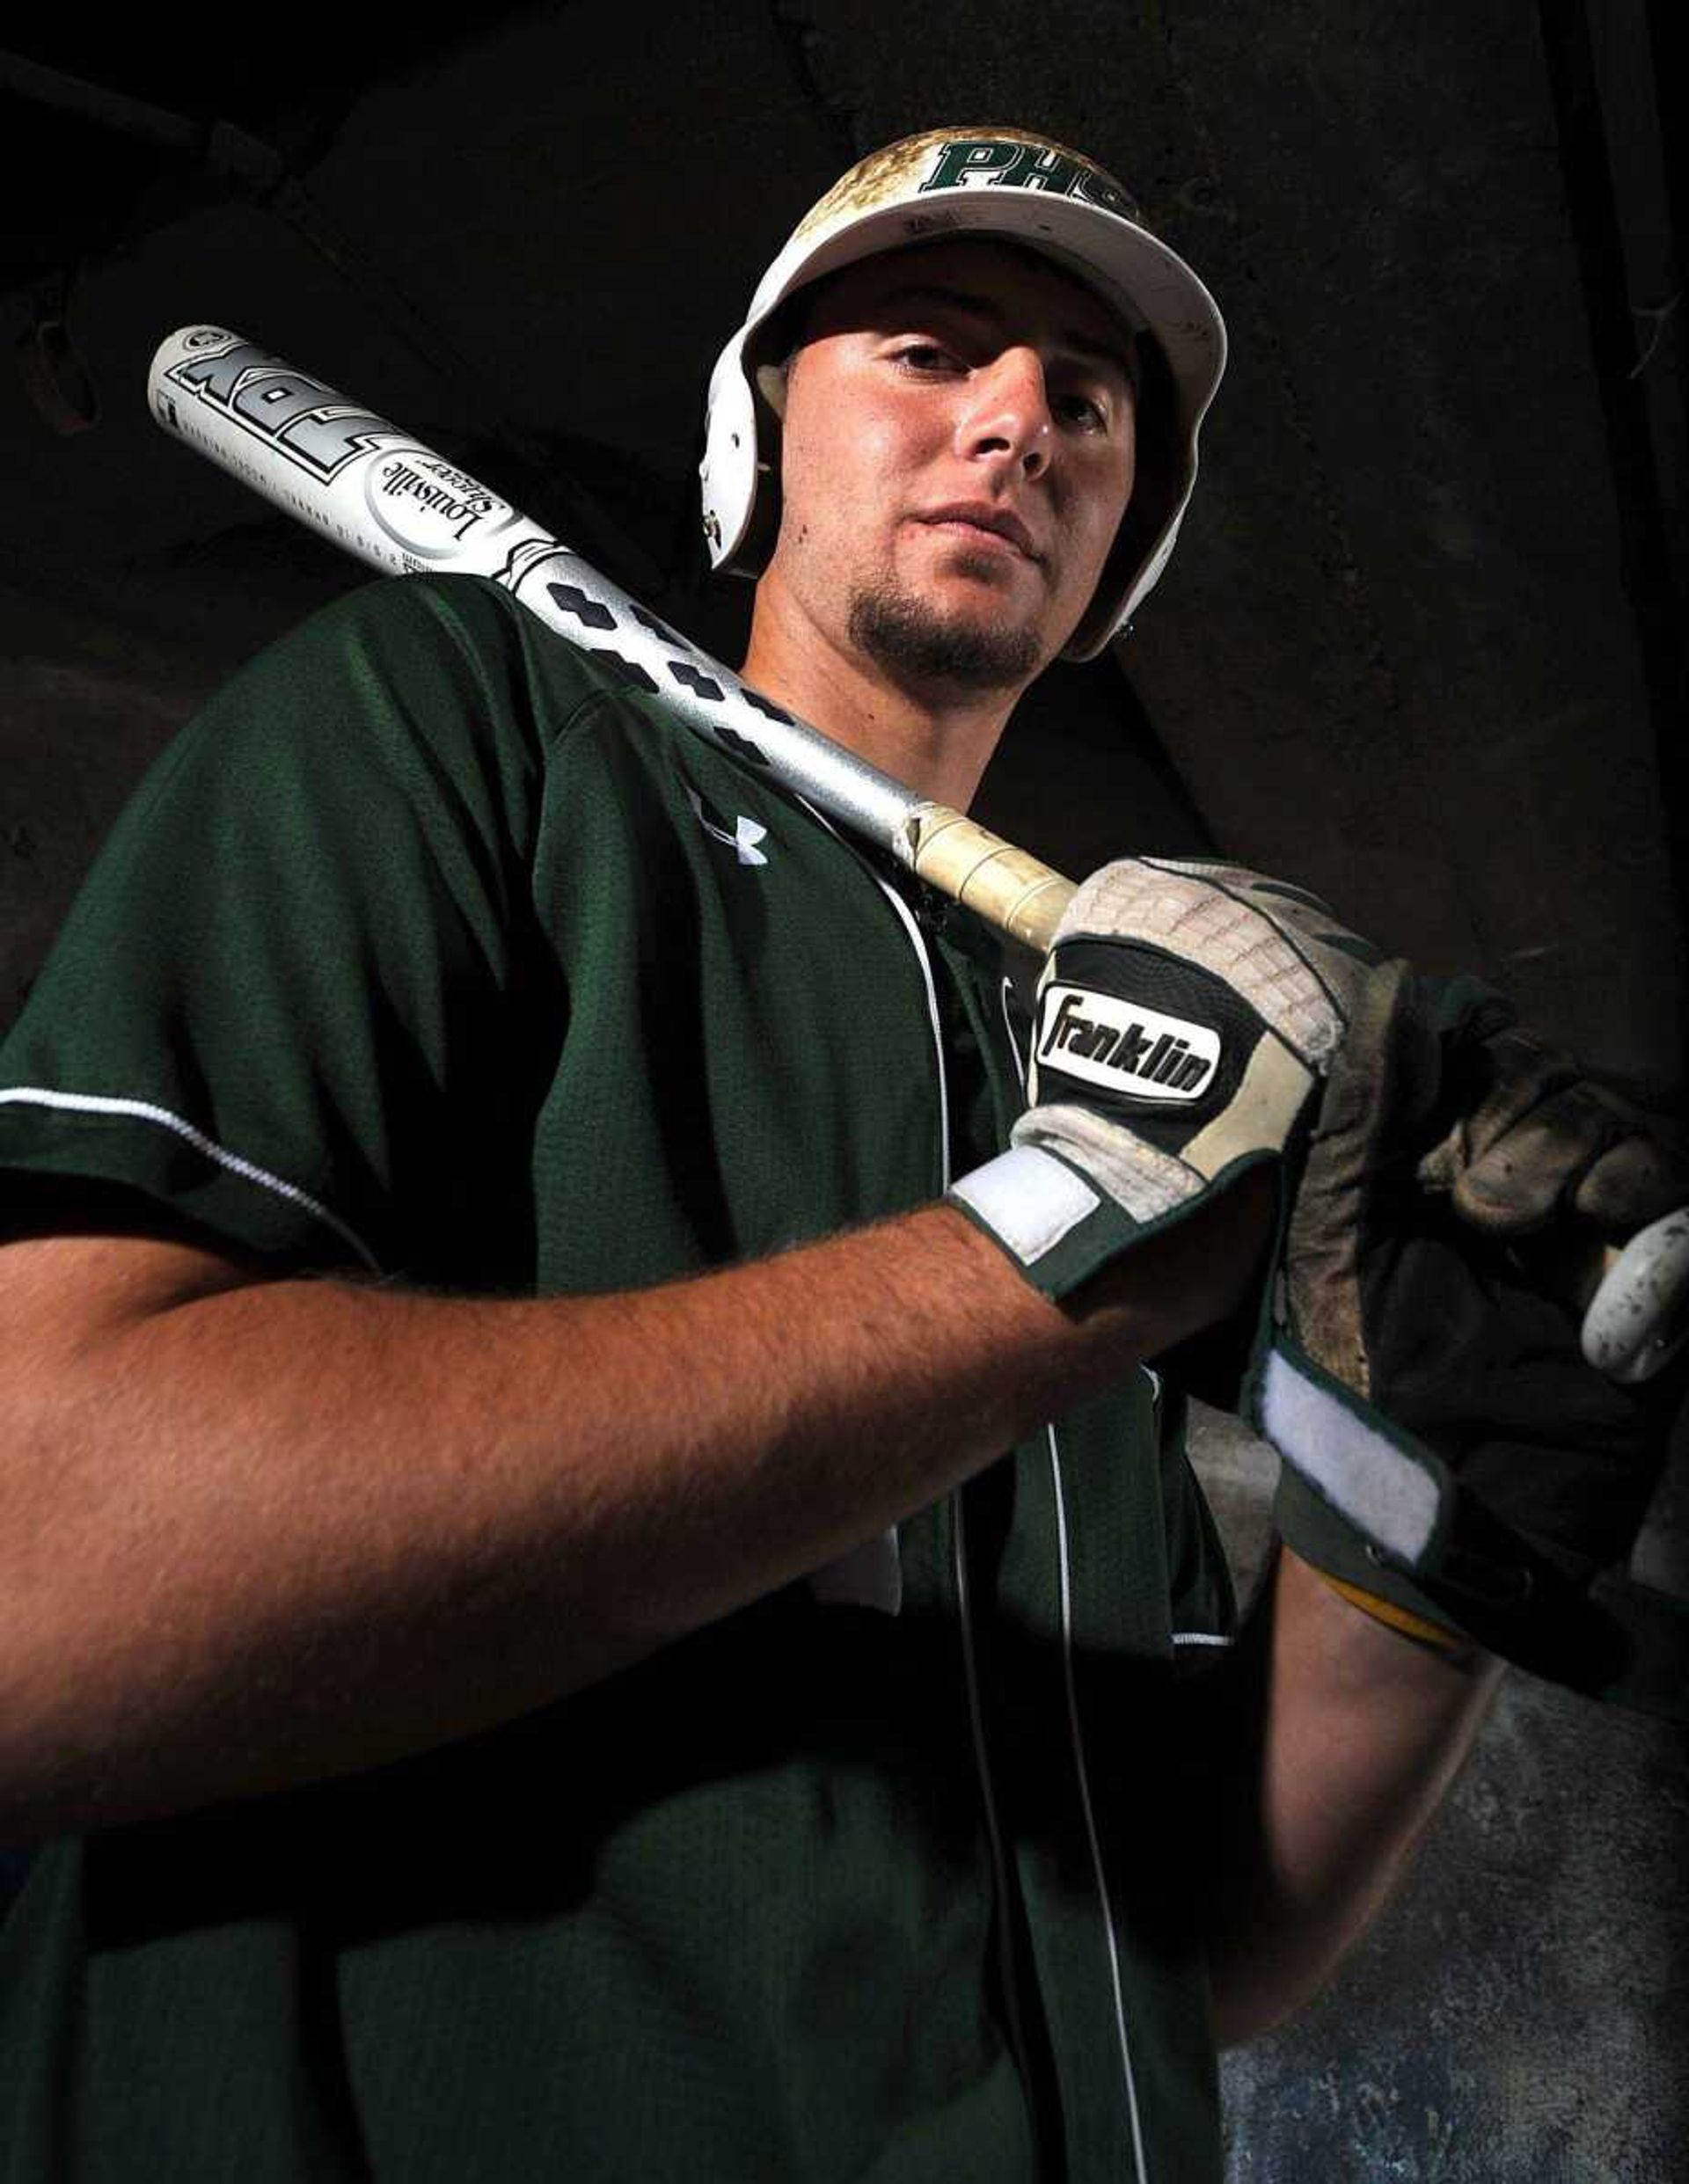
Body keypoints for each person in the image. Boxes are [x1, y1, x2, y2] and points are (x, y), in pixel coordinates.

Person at [0, 126, 1677, 2183]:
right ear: (764, 426)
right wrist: (1061, 1245)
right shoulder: (462, 731)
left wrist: (1426, 1551)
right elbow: (46, 1588)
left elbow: (1168, 1947)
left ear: (1127, 529)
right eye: (929, 345)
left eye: (1088, 397)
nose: (1017, 422)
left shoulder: (1089, 1060)